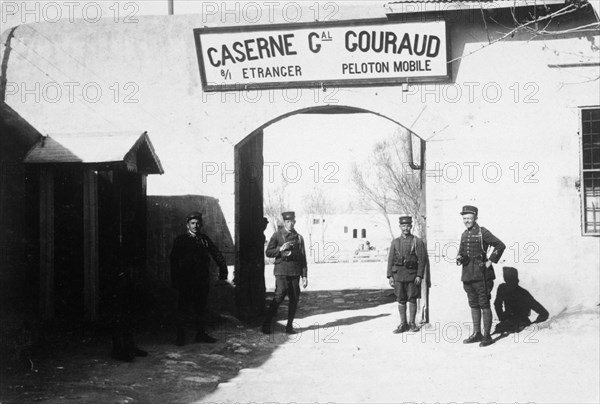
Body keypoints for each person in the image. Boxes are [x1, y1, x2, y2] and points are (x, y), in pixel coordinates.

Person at [170, 211, 228, 346]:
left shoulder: (204, 239)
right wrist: (175, 280)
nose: (195, 226)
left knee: (201, 308)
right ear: (187, 225)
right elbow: (173, 261)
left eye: (197, 223)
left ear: (201, 224)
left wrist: (223, 270)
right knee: (183, 309)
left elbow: (216, 254)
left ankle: (201, 334)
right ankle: (180, 337)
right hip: (186, 281)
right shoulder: (181, 240)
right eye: (192, 223)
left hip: (201, 281)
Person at [456, 205, 506, 347]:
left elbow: (500, 245)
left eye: (469, 218)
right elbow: (461, 251)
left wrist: (491, 260)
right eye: (464, 218)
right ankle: (477, 333)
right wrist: (459, 257)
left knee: (484, 303)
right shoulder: (464, 234)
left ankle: (487, 336)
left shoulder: (482, 232)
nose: (467, 221)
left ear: (475, 218)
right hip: (467, 275)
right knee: (473, 303)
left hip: (482, 275)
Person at [262, 211, 308, 334]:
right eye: (287, 222)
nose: (290, 224)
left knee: (294, 298)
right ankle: (266, 324)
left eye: (292, 221)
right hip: (281, 270)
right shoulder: (277, 235)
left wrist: (304, 275)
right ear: (284, 222)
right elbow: (268, 252)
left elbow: (302, 257)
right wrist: (280, 249)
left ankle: (289, 326)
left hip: (294, 272)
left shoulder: (299, 238)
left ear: (295, 221)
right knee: (279, 295)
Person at [387, 215, 427, 333]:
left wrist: (419, 275)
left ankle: (412, 323)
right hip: (398, 275)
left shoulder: (417, 241)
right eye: (403, 226)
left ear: (411, 226)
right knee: (401, 299)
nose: (405, 228)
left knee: (412, 298)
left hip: (412, 275)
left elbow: (422, 260)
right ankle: (403, 323)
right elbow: (390, 259)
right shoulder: (395, 242)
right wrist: (390, 276)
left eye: (408, 226)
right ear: (400, 227)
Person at [494, 266, 549, 334]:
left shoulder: (503, 288)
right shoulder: (523, 292)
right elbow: (544, 313)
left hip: (516, 322)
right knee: (501, 327)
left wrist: (502, 318)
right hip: (517, 321)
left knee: (500, 327)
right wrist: (535, 322)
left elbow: (497, 304)